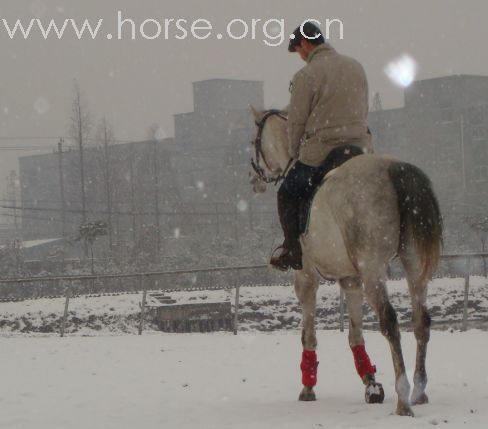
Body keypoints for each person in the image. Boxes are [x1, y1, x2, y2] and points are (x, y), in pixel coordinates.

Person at [269, 21, 373, 271]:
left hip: (323, 152)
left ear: (305, 44)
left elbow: (296, 122)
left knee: (286, 192)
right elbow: (364, 107)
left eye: (299, 51)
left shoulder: (306, 75)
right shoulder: (354, 66)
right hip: (360, 147)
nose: (301, 58)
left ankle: (292, 249)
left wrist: (294, 153)